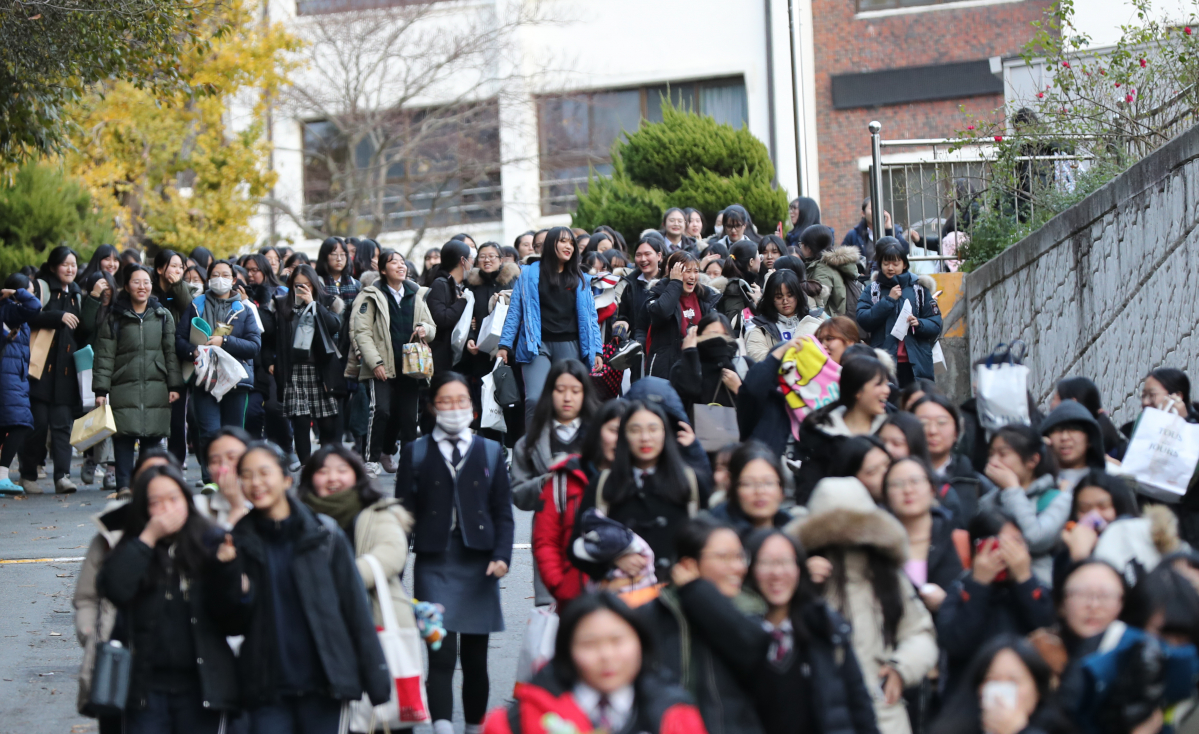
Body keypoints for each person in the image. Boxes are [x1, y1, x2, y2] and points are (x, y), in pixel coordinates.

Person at [217, 441, 390, 733]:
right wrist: (228, 573)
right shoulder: (237, 542)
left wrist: (377, 680)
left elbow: (354, 607)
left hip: (324, 683)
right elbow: (230, 622)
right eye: (246, 475)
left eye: (264, 473)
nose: (255, 483)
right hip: (266, 687)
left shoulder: (324, 533)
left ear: (286, 479)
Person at [394, 372, 514, 734]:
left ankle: (475, 727)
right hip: (433, 565)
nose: (454, 408)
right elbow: (402, 516)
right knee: (440, 655)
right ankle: (442, 727)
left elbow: (503, 513)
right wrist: (394, 574)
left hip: (480, 567)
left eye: (461, 401)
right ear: (433, 407)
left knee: (476, 660)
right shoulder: (415, 452)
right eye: (445, 401)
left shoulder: (491, 451)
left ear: (473, 410)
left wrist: (502, 556)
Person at [96, 465, 241, 733]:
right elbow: (115, 589)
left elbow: (232, 614)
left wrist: (226, 569)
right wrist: (149, 537)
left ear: (187, 500)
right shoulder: (133, 545)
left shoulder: (211, 541)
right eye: (155, 502)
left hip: (201, 684)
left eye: (174, 499)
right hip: (144, 685)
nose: (167, 509)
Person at [794, 476, 939, 734]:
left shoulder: (888, 577)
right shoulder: (799, 577)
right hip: (817, 712)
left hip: (883, 711)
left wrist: (901, 668)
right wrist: (800, 584)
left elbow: (920, 632)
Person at [482, 592, 707, 734]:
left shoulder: (677, 716)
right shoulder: (517, 721)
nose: (606, 655)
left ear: (641, 644)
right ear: (566, 651)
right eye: (589, 644)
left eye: (617, 641)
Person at [639, 518, 771, 734]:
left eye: (740, 557)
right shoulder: (655, 612)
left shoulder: (752, 609)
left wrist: (697, 592)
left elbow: (751, 648)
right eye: (724, 557)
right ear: (689, 565)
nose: (738, 567)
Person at [743, 528, 880, 734]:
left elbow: (859, 704)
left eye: (785, 562)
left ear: (800, 568)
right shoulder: (737, 632)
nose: (777, 573)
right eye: (766, 563)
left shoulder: (824, 626)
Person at [572, 400, 705, 579]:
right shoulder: (603, 484)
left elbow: (710, 542)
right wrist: (612, 560)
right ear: (624, 436)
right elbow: (575, 546)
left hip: (677, 597)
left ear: (665, 433)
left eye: (653, 429)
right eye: (635, 430)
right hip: (623, 597)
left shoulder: (691, 481)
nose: (645, 438)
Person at [298, 443, 418, 635]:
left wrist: (332, 578)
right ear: (310, 478)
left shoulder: (378, 511)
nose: (333, 478)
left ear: (356, 475)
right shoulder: (297, 516)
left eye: (342, 470)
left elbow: (391, 553)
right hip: (311, 618)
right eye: (323, 471)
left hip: (373, 616)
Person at [498, 226, 603, 423]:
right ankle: (532, 449)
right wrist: (504, 344)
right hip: (536, 345)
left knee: (568, 402)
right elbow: (515, 312)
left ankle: (568, 447)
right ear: (550, 244)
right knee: (535, 399)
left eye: (572, 243)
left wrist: (597, 350)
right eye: (563, 241)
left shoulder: (581, 278)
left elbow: (591, 318)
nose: (568, 246)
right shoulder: (528, 274)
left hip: (570, 345)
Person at [92, 265, 183, 491]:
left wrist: (174, 384)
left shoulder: (163, 315)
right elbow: (104, 356)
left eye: (146, 282)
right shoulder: (115, 317)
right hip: (123, 385)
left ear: (152, 286)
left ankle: (145, 487)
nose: (142, 287)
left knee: (152, 439)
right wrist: (101, 391)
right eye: (136, 282)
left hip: (157, 386)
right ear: (126, 286)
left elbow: (171, 353)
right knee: (123, 437)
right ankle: (123, 486)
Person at [937, 511, 1056, 685]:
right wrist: (979, 584)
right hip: (969, 688)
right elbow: (956, 644)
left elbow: (1047, 628)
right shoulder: (961, 589)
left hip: (1027, 685)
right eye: (999, 545)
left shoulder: (1037, 588)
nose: (1008, 553)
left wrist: (1024, 579)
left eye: (1016, 543)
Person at [532, 399, 631, 606]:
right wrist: (560, 586)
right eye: (613, 430)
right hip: (577, 602)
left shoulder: (645, 480)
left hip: (635, 603)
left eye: (628, 432)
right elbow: (546, 539)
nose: (619, 440)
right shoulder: (567, 476)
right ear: (597, 432)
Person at [347, 249, 435, 477]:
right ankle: (371, 459)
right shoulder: (371, 295)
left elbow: (431, 326)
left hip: (411, 366)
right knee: (381, 411)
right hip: (382, 366)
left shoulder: (416, 294)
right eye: (393, 262)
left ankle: (409, 462)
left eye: (402, 262)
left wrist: (426, 329)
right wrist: (375, 362)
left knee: (408, 417)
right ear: (383, 269)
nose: (400, 265)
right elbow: (362, 332)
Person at [176, 259, 262, 483]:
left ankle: (234, 479)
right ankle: (212, 480)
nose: (220, 279)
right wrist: (193, 351)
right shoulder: (197, 305)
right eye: (215, 274)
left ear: (233, 280)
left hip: (236, 381)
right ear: (208, 279)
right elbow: (179, 340)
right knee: (209, 433)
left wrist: (224, 341)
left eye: (225, 275)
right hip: (204, 379)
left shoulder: (244, 309)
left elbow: (254, 346)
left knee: (234, 435)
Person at [21, 246, 88, 494]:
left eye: (73, 264)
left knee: (62, 426)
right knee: (37, 424)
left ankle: (63, 475)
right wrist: (56, 316)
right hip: (39, 371)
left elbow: (82, 331)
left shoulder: (77, 294)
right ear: (52, 266)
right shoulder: (40, 288)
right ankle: (28, 474)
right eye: (65, 264)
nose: (70, 269)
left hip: (66, 372)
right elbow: (26, 315)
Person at [794, 356, 891, 504]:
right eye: (879, 384)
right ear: (858, 391)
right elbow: (809, 492)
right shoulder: (821, 434)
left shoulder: (891, 431)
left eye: (886, 383)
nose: (887, 390)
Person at [928, 635, 1071, 734]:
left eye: (1013, 681)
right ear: (979, 688)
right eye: (992, 680)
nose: (1002, 690)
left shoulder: (1057, 729)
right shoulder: (952, 729)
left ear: (1037, 691)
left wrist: (1019, 730)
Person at [978, 424, 1065, 586]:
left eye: (1003, 454)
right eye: (991, 454)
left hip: (1039, 588)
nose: (993, 462)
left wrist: (1012, 489)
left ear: (1032, 460)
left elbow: (1035, 539)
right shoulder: (988, 500)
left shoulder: (1059, 499)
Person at [274, 265, 344, 463]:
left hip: (320, 369)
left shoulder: (326, 302)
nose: (302, 289)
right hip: (294, 369)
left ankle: (325, 462)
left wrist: (313, 304)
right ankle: (306, 466)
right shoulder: (282, 306)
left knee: (327, 422)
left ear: (314, 285)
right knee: (300, 421)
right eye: (297, 285)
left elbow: (334, 326)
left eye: (307, 285)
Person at [882, 457, 964, 614]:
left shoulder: (953, 538)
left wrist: (946, 603)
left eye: (915, 481)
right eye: (897, 484)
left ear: (932, 489)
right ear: (886, 496)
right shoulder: (878, 545)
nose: (907, 490)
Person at [856, 239, 941, 387]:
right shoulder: (872, 290)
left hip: (916, 362)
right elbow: (863, 319)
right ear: (880, 264)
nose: (890, 268)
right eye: (886, 263)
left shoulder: (919, 289)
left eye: (896, 264)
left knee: (916, 404)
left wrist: (919, 324)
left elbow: (935, 322)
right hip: (886, 361)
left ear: (905, 265)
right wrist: (888, 301)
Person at [644, 251, 721, 378]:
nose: (692, 276)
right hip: (667, 370)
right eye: (687, 271)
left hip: (698, 367)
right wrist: (675, 283)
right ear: (675, 273)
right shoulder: (659, 293)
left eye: (696, 271)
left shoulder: (706, 297)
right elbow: (662, 313)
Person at [911, 393, 986, 523]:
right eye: (923, 423)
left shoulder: (976, 483)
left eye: (941, 422)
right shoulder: (895, 477)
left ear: (956, 432)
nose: (932, 431)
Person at [0, 275, 41, 494]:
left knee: (6, 425)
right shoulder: (10, 309)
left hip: (14, 376)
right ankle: (2, 475)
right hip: (8, 376)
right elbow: (35, 305)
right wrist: (16, 293)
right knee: (19, 423)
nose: (32, 294)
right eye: (29, 290)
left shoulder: (12, 311)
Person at [669, 312, 747, 420]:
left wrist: (739, 389)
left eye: (724, 335)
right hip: (694, 434)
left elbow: (755, 410)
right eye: (712, 334)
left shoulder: (741, 365)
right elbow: (685, 396)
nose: (719, 340)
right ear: (699, 336)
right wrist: (690, 353)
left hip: (736, 434)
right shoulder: (683, 366)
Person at [705, 441, 791, 536]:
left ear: (781, 490)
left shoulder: (794, 533)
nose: (760, 491)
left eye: (769, 482)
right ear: (734, 488)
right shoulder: (712, 534)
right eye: (748, 483)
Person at [426, 239, 474, 374]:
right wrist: (463, 302)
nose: (472, 263)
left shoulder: (463, 286)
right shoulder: (440, 284)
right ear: (462, 260)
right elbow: (441, 318)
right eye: (470, 258)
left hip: (459, 358)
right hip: (442, 359)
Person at [614, 232, 663, 364]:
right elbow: (624, 315)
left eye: (648, 254)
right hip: (638, 348)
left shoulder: (668, 282)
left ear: (659, 256)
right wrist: (622, 325)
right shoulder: (630, 285)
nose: (643, 259)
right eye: (638, 255)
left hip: (664, 348)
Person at [1051, 376, 1127, 459]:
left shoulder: (1091, 451)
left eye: (1055, 399)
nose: (1051, 405)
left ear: (1073, 403)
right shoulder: (1104, 430)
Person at [1040, 400, 1107, 492]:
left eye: (1073, 429)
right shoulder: (1036, 481)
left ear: (1090, 439)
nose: (1064, 437)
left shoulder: (1107, 483)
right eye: (1057, 430)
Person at [745, 269, 813, 362]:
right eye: (779, 297)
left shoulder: (815, 320)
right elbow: (758, 358)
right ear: (771, 299)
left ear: (798, 295)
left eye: (790, 295)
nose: (785, 301)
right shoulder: (761, 329)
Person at [194, 426, 252, 529]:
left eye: (232, 457)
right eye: (215, 461)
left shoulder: (268, 501)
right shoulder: (199, 507)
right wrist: (236, 509)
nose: (224, 467)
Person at [800, 225, 860, 317]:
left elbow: (818, 304)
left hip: (832, 323)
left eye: (801, 244)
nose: (800, 248)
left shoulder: (822, 269)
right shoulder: (833, 264)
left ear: (809, 248)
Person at [842, 198, 907, 266]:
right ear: (863, 213)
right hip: (865, 275)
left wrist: (889, 230)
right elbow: (843, 257)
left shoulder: (894, 229)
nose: (876, 211)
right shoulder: (854, 234)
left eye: (879, 207)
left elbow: (904, 250)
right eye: (872, 208)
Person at [715, 240, 761, 331]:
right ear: (751, 262)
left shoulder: (747, 282)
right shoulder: (735, 286)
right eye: (759, 256)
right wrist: (756, 304)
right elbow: (733, 320)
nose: (760, 260)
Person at [315, 236, 361, 306]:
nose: (339, 259)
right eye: (334, 254)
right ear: (324, 257)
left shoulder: (356, 285)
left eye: (342, 254)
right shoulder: (317, 284)